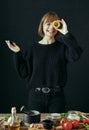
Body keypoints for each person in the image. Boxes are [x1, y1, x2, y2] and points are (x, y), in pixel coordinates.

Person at [5, 12, 82, 113]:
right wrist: (17, 53)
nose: (51, 27)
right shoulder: (32, 49)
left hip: (57, 98)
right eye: (48, 24)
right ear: (42, 26)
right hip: (35, 98)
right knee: (35, 127)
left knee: (56, 127)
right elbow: (23, 73)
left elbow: (76, 55)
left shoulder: (62, 47)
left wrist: (66, 33)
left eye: (54, 24)